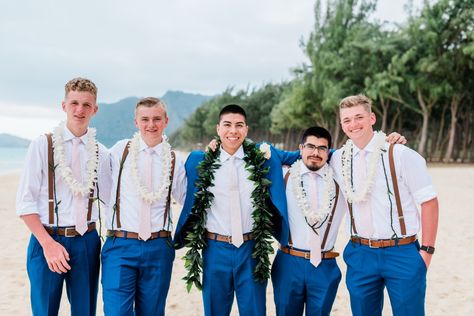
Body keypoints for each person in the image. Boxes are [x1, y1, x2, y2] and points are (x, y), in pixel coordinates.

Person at [174, 104, 299, 316]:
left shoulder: (264, 156)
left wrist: (346, 150)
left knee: (255, 310)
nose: (233, 131)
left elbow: (302, 154)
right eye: (227, 125)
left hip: (252, 248)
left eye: (239, 125)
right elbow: (181, 192)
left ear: (247, 130)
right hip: (214, 248)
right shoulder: (198, 160)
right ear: (218, 128)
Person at [331, 94, 439, 316]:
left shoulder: (400, 154)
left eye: (359, 117)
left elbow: (429, 202)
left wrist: (426, 252)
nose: (353, 124)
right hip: (360, 254)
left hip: (402, 252)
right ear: (341, 125)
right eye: (347, 120)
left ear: (372, 118)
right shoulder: (337, 159)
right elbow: (309, 158)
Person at [16, 77, 111, 315]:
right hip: (46, 238)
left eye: (87, 105)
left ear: (95, 109)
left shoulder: (102, 153)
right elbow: (25, 202)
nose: (80, 110)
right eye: (75, 103)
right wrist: (48, 244)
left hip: (87, 241)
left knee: (85, 311)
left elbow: (112, 198)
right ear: (64, 105)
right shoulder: (42, 145)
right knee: (44, 310)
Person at [101, 97, 186, 316]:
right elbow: (99, 184)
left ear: (166, 121)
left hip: (159, 247)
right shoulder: (120, 151)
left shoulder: (174, 160)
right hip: (120, 245)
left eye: (157, 119)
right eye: (145, 119)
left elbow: (187, 200)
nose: (151, 124)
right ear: (136, 122)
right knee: (116, 312)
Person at [271, 126, 347, 316]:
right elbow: (260, 150)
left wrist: (390, 141)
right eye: (310, 146)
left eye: (322, 148)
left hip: (325, 264)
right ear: (300, 148)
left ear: (329, 152)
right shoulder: (283, 175)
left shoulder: (341, 177)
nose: (316, 152)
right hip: (288, 262)